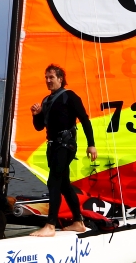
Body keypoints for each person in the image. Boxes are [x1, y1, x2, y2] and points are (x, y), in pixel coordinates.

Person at [29, 65, 97, 237]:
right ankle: (78, 222)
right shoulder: (46, 100)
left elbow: (85, 120)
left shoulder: (70, 96)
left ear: (60, 79)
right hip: (52, 146)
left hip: (66, 146)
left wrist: (91, 144)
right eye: (46, 77)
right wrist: (36, 114)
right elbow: (39, 127)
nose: (48, 80)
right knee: (64, 185)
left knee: (54, 182)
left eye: (51, 77)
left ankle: (50, 225)